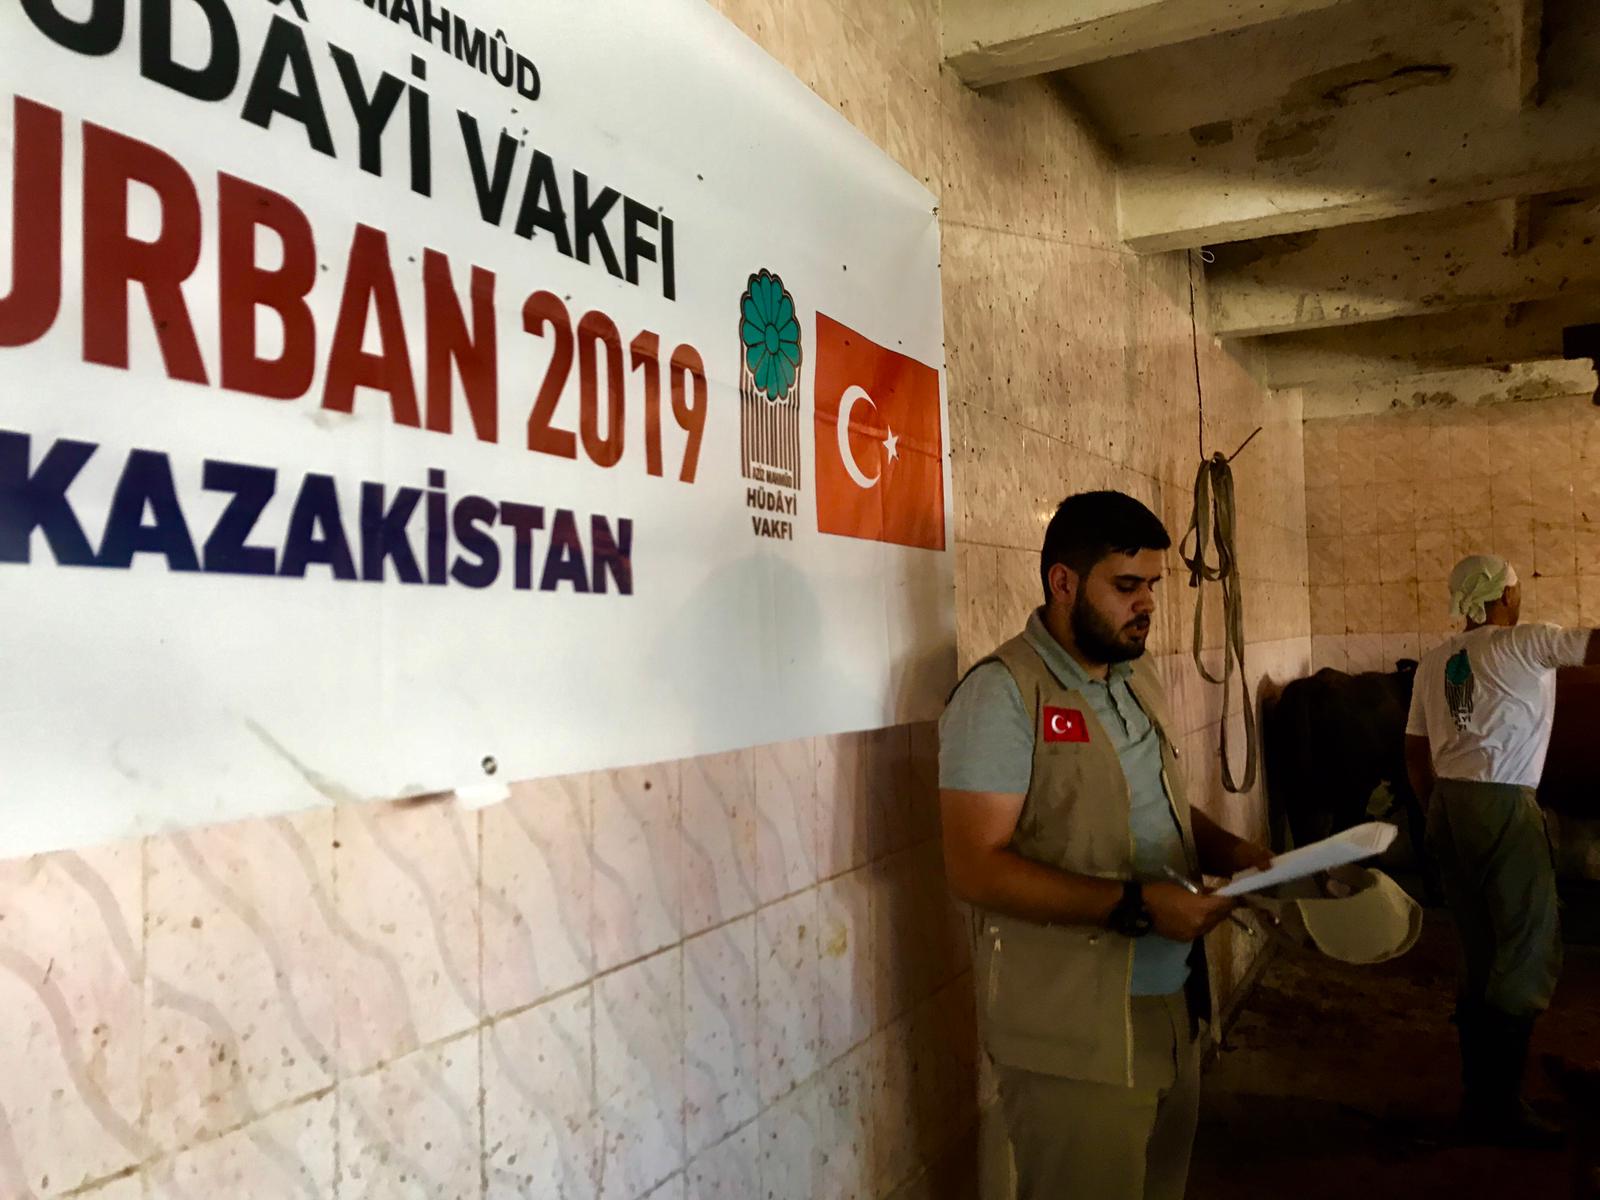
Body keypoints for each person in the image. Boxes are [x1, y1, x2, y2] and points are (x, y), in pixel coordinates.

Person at [939, 490, 1273, 1200]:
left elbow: (1154, 803)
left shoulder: (1133, 672)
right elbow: (974, 868)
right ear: (1062, 582)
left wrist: (1234, 853)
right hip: (1074, 1034)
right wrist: (1137, 904)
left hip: (1173, 1004)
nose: (1146, 604)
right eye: (1126, 586)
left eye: (1152, 585)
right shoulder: (1002, 695)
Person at [1404, 554, 1600, 1147]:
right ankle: (1502, 1107)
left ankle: (1479, 1099)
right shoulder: (1527, 643)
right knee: (1528, 945)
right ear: (1505, 596)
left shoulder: (1434, 661)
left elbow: (1415, 749)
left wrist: (1435, 812)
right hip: (1504, 804)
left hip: (1447, 804)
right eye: (1516, 589)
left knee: (1479, 947)